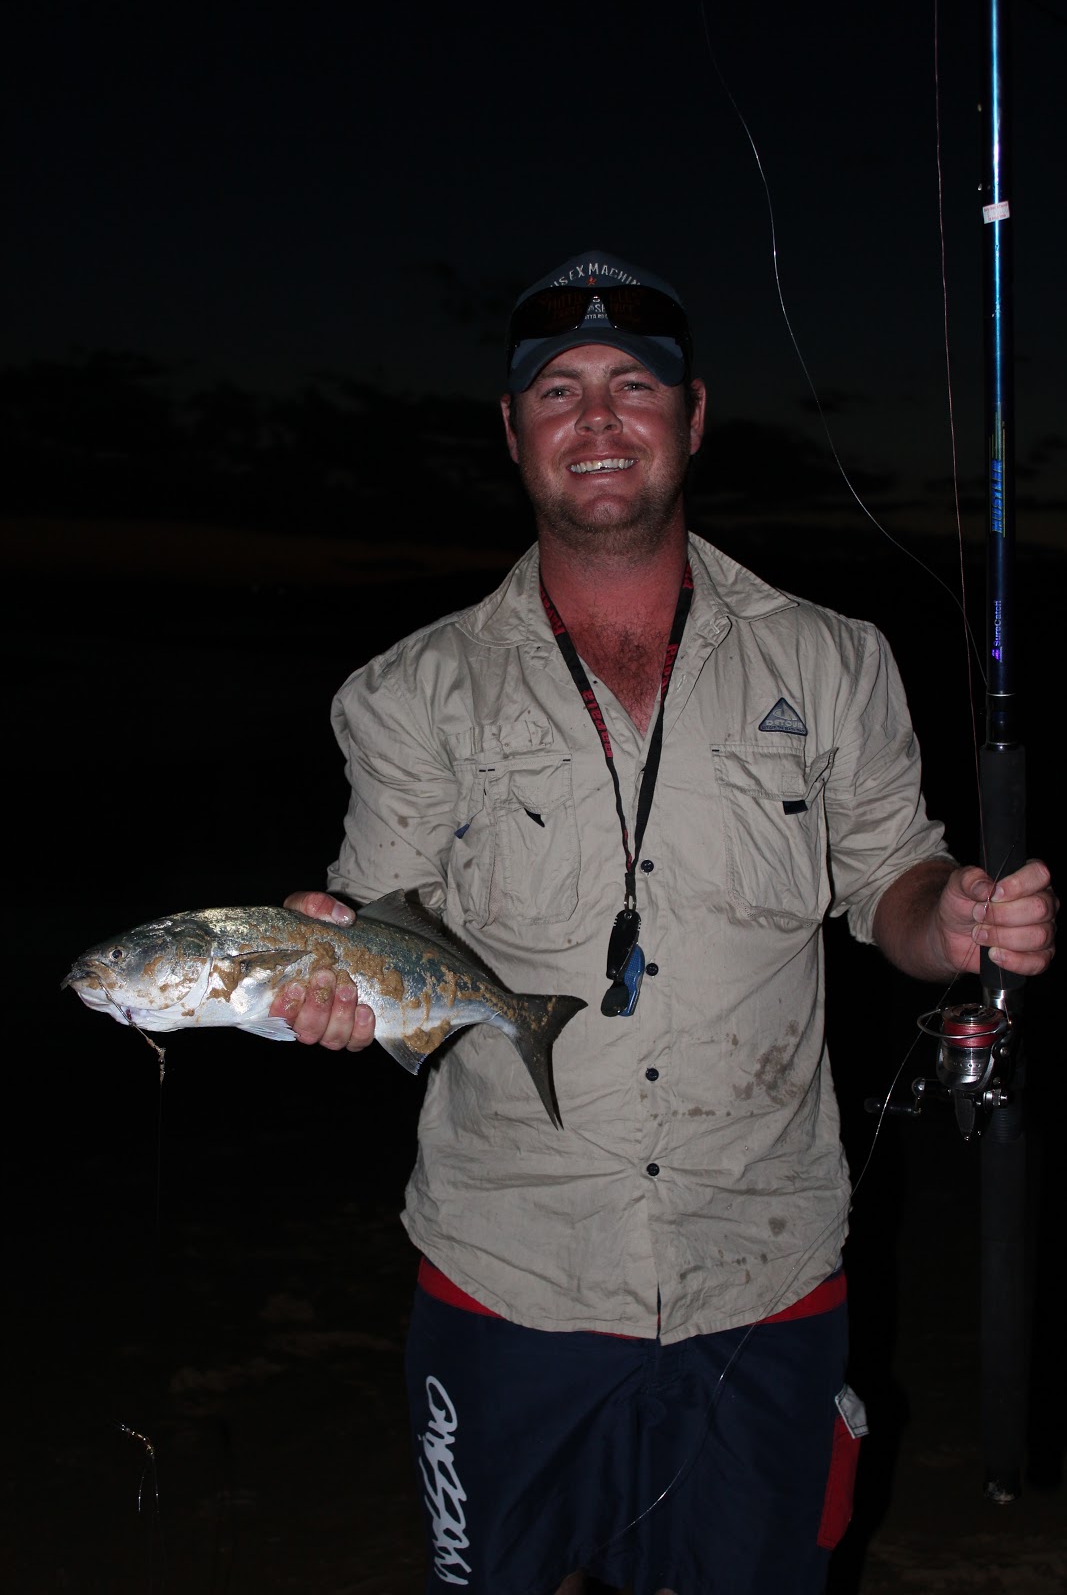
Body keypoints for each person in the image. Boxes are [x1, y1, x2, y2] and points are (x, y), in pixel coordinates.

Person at [271, 251, 1057, 1595]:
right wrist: (334, 981)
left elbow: (893, 889)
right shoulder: (408, 695)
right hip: (509, 1280)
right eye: (558, 391)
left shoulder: (835, 659)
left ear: (693, 421)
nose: (596, 417)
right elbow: (390, 938)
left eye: (633, 386)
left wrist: (963, 917)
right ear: (513, 433)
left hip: (766, 1276)